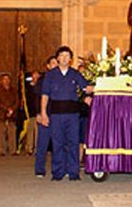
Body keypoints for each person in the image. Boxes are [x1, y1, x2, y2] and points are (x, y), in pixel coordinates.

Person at [39, 46, 93, 180]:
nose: (64, 58)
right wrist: (43, 113)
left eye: (67, 56)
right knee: (57, 143)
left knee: (73, 142)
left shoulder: (75, 74)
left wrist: (102, 83)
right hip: (56, 115)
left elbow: (86, 88)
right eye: (61, 56)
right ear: (57, 58)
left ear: (70, 59)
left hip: (73, 115)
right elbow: (45, 95)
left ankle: (73, 172)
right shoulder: (50, 75)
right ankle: (58, 172)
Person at [34, 56, 58, 177]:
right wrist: (39, 113)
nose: (55, 65)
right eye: (53, 63)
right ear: (48, 66)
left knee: (58, 145)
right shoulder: (42, 80)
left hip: (58, 116)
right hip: (45, 115)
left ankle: (57, 169)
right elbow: (37, 98)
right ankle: (39, 170)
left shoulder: (62, 79)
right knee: (42, 144)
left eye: (57, 63)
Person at [0, 73, 18, 156]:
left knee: (12, 133)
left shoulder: (14, 90)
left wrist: (12, 109)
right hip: (1, 114)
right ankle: (2, 150)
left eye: (8, 79)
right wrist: (6, 109)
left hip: (12, 114)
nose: (6, 81)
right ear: (1, 81)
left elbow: (17, 101)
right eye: (4, 79)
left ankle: (13, 150)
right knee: (1, 133)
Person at [24, 70, 40, 156]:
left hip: (38, 112)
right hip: (30, 112)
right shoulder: (27, 88)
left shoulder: (40, 87)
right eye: (34, 76)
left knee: (37, 132)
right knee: (30, 131)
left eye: (37, 76)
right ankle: (29, 148)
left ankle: (37, 148)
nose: (35, 78)